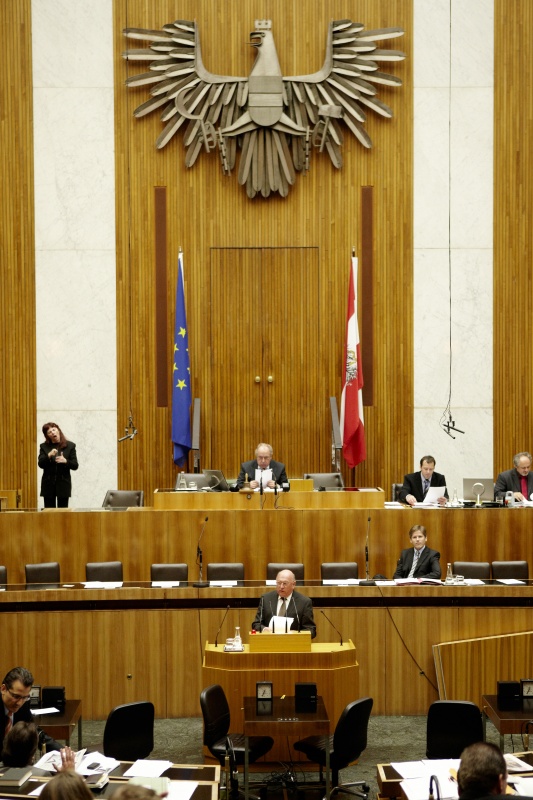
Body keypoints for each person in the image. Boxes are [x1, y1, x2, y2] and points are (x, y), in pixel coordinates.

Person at [1, 667, 60, 754]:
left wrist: (61, 750)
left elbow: (32, 732)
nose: (19, 703)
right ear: (3, 689)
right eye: (16, 696)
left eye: (25, 697)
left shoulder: (24, 704)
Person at [251, 569, 316, 637]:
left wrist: (296, 634)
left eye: (285, 583)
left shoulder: (304, 602)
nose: (281, 587)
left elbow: (311, 630)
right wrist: (264, 630)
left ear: (293, 584)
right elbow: (256, 624)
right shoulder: (266, 599)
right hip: (269, 640)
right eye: (279, 583)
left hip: (293, 642)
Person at [38, 422, 78, 508]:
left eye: (54, 430)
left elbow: (75, 465)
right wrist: (48, 455)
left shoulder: (70, 446)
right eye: (49, 432)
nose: (52, 433)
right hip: (48, 484)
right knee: (49, 512)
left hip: (64, 484)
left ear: (58, 430)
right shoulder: (44, 446)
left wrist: (66, 461)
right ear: (47, 435)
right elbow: (40, 464)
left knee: (62, 512)